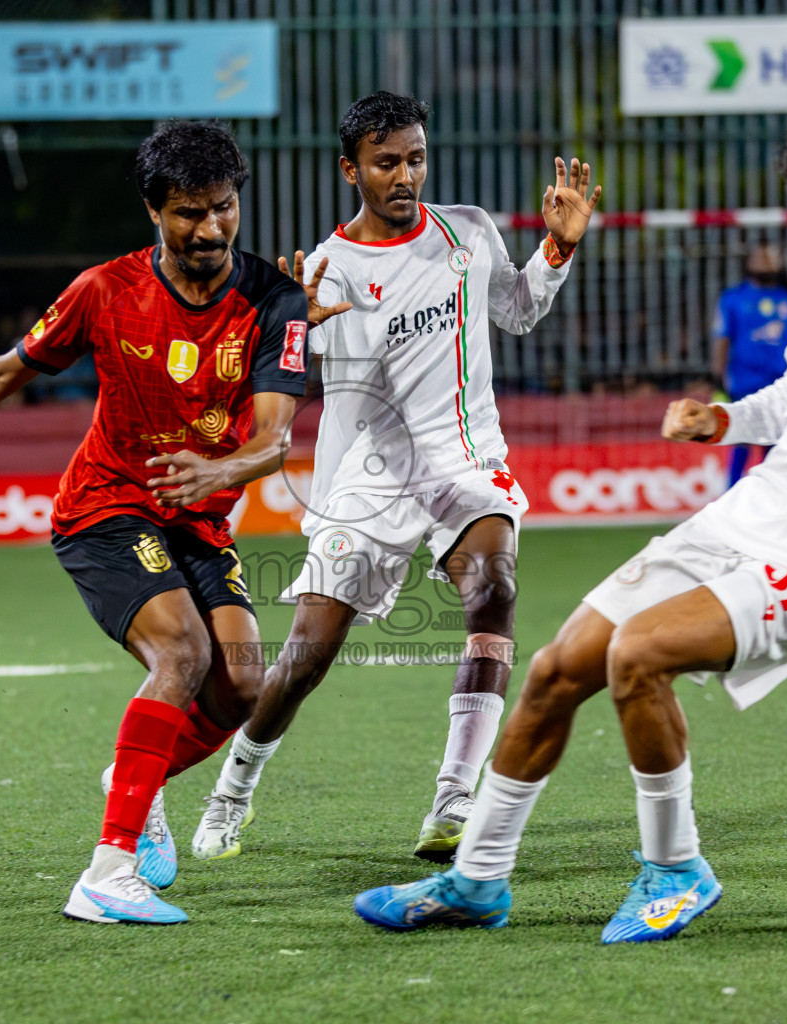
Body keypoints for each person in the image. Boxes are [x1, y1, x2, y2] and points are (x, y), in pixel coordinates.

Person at [352, 97, 787, 942]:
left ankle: (676, 868)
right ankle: (476, 880)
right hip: (739, 524)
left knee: (639, 656)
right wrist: (724, 419)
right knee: (560, 667)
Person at [0, 120, 347, 926]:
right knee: (183, 651)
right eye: (188, 213)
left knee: (241, 685)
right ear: (153, 210)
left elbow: (273, 439)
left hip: (198, 517)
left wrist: (221, 471)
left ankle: (133, 777)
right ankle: (108, 872)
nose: (209, 230)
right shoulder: (103, 292)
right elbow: (5, 373)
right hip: (105, 507)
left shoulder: (275, 301)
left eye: (224, 208)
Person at [193, 91, 601, 863]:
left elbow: (515, 311)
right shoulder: (325, 269)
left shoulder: (469, 230)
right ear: (352, 169)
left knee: (495, 589)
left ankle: (454, 796)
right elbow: (280, 376)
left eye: (415, 157)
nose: (404, 174)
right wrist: (295, 331)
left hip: (465, 462)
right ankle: (234, 789)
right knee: (306, 655)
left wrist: (556, 250)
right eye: (386, 162)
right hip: (370, 477)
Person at [710, 244, 787, 485]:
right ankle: (730, 492)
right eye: (761, 257)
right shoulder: (734, 298)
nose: (766, 262)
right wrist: (717, 375)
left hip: (781, 381)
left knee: (774, 441)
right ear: (749, 262)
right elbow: (722, 338)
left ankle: (771, 494)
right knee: (741, 437)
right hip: (744, 379)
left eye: (771, 257)